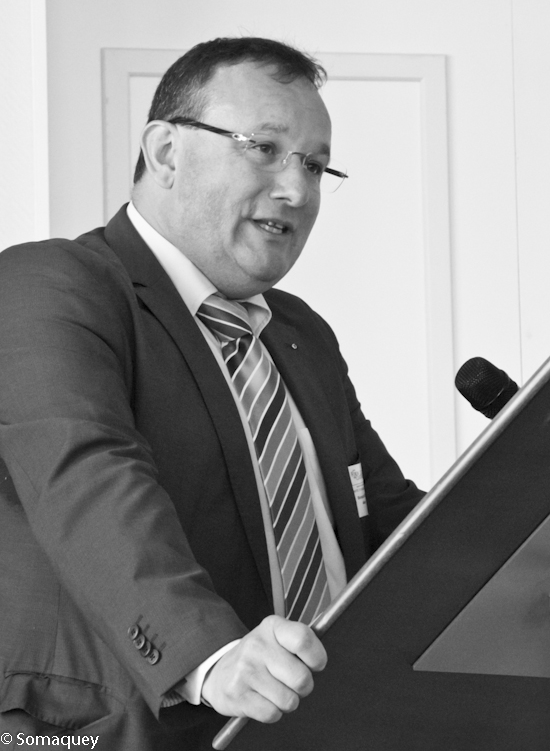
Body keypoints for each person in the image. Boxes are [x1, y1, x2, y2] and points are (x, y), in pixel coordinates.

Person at [0, 37, 424, 749]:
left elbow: (387, 519)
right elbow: (88, 476)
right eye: (265, 148)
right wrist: (212, 655)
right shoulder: (51, 284)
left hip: (330, 726)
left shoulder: (301, 333)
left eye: (315, 165)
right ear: (166, 152)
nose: (298, 190)